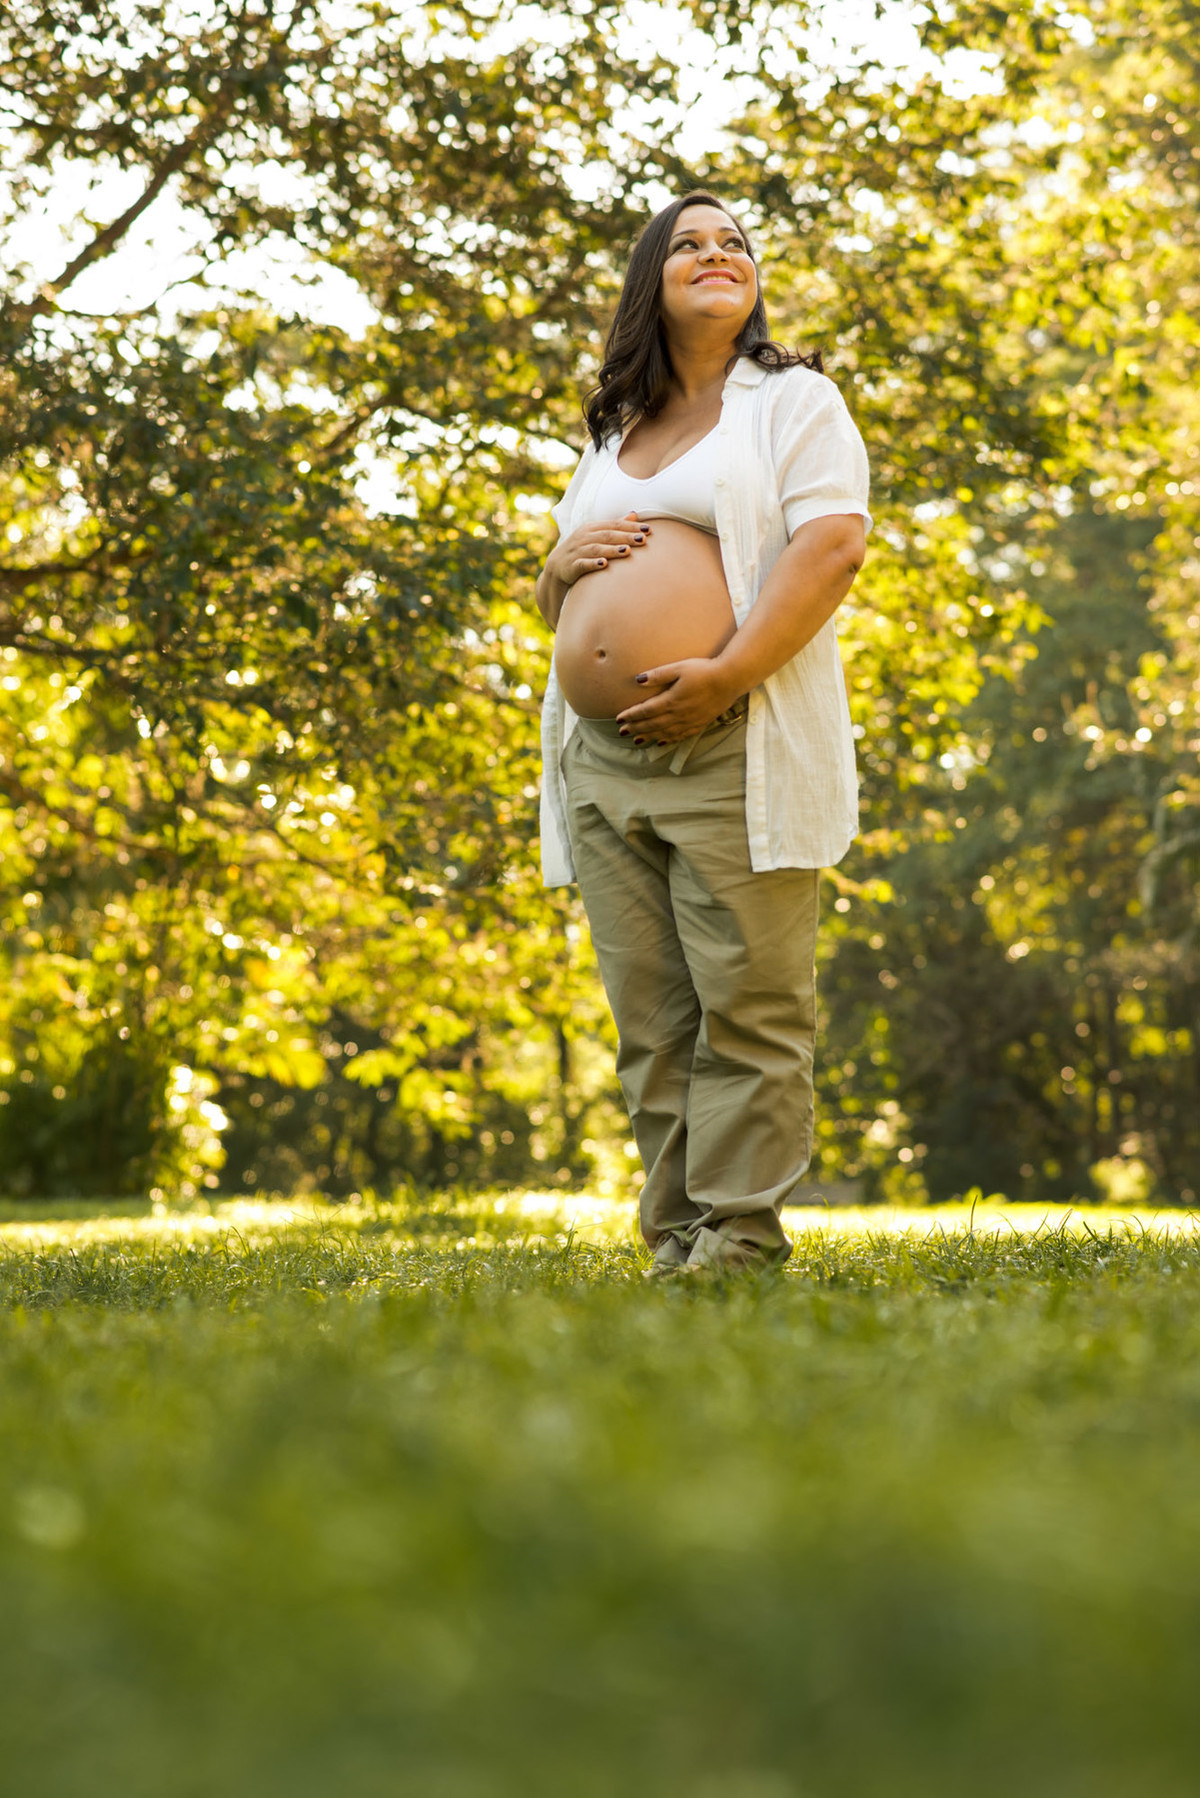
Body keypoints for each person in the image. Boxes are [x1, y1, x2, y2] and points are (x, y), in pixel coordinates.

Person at [534, 190, 872, 1276]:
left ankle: (738, 1236)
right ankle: (677, 1233)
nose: (717, 254)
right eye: (689, 245)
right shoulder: (614, 424)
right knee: (653, 1016)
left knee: (749, 1003)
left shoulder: (791, 402)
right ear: (654, 279)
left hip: (732, 736)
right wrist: (557, 573)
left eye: (735, 243)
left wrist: (722, 674)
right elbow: (569, 597)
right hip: (603, 762)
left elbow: (831, 549)